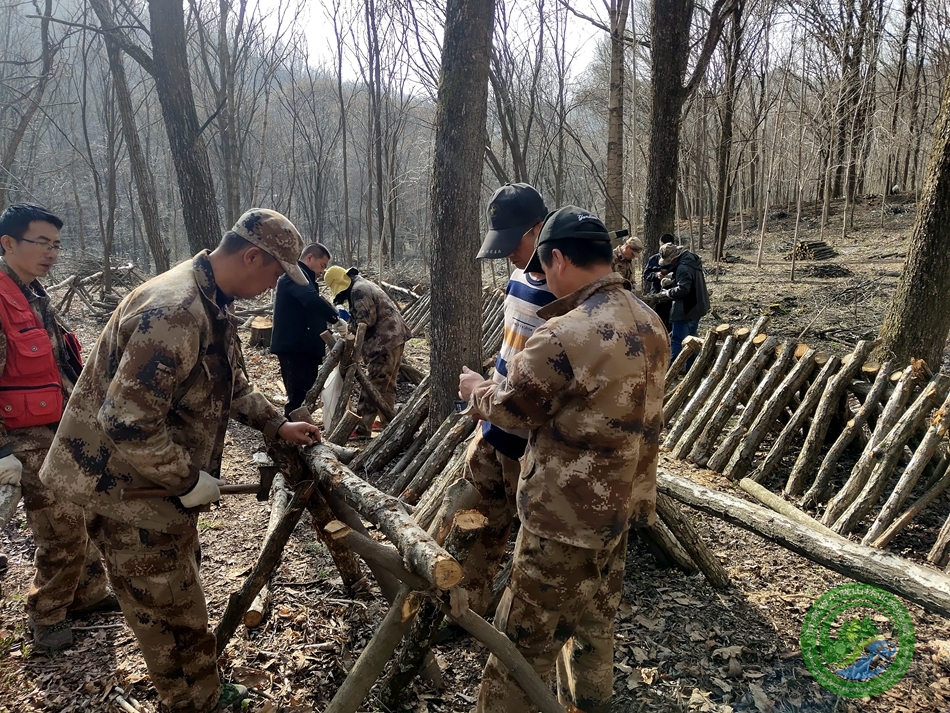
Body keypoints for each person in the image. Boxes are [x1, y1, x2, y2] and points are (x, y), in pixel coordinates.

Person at [39, 209, 322, 713]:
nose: (272, 285)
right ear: (251, 256)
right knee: (166, 614)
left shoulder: (212, 300)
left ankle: (201, 690)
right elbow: (126, 421)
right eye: (275, 273)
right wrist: (187, 478)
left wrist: (275, 423)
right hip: (124, 489)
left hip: (151, 485)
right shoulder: (174, 311)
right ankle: (189, 702)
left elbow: (229, 382)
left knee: (180, 598)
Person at [458, 205, 669, 713]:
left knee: (522, 645)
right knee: (595, 631)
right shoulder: (650, 322)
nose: (545, 279)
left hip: (561, 519)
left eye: (544, 268)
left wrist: (476, 389)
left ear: (557, 259)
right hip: (617, 513)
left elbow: (514, 408)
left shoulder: (563, 335)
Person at [0, 204, 117, 652]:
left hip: (61, 425)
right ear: (8, 243)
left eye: (56, 245)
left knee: (84, 509)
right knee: (60, 525)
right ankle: (46, 614)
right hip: (23, 435)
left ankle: (87, 594)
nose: (51, 253)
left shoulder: (33, 293)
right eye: (41, 243)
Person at [462, 183, 555, 616]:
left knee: (529, 529)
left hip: (529, 431)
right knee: (484, 514)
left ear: (539, 229)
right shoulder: (518, 274)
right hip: (494, 417)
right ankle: (468, 602)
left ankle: (513, 617)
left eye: (513, 242)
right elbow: (511, 345)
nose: (508, 255)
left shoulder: (565, 291)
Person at [324, 265, 411, 434]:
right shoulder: (362, 284)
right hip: (394, 337)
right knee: (386, 384)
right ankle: (388, 421)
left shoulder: (358, 290)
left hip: (383, 342)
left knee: (374, 384)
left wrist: (348, 327)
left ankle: (362, 427)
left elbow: (366, 321)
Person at [270, 242, 344, 417]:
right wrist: (334, 318)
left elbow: (314, 302)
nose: (322, 271)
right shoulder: (294, 275)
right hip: (294, 349)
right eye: (322, 265)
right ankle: (290, 438)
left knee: (306, 395)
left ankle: (300, 433)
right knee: (298, 398)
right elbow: (310, 300)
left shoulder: (306, 279)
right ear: (310, 258)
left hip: (305, 348)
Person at [656, 242, 710, 363]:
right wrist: (672, 280)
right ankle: (691, 368)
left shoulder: (683, 267)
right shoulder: (691, 261)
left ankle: (672, 370)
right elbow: (689, 281)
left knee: (678, 340)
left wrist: (668, 292)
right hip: (697, 306)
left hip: (686, 308)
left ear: (674, 257)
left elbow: (683, 289)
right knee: (692, 340)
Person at [642, 232, 676, 330]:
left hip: (673, 294)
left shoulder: (676, 259)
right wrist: (656, 275)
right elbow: (646, 274)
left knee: (671, 322)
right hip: (657, 293)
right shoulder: (654, 259)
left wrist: (670, 277)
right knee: (657, 321)